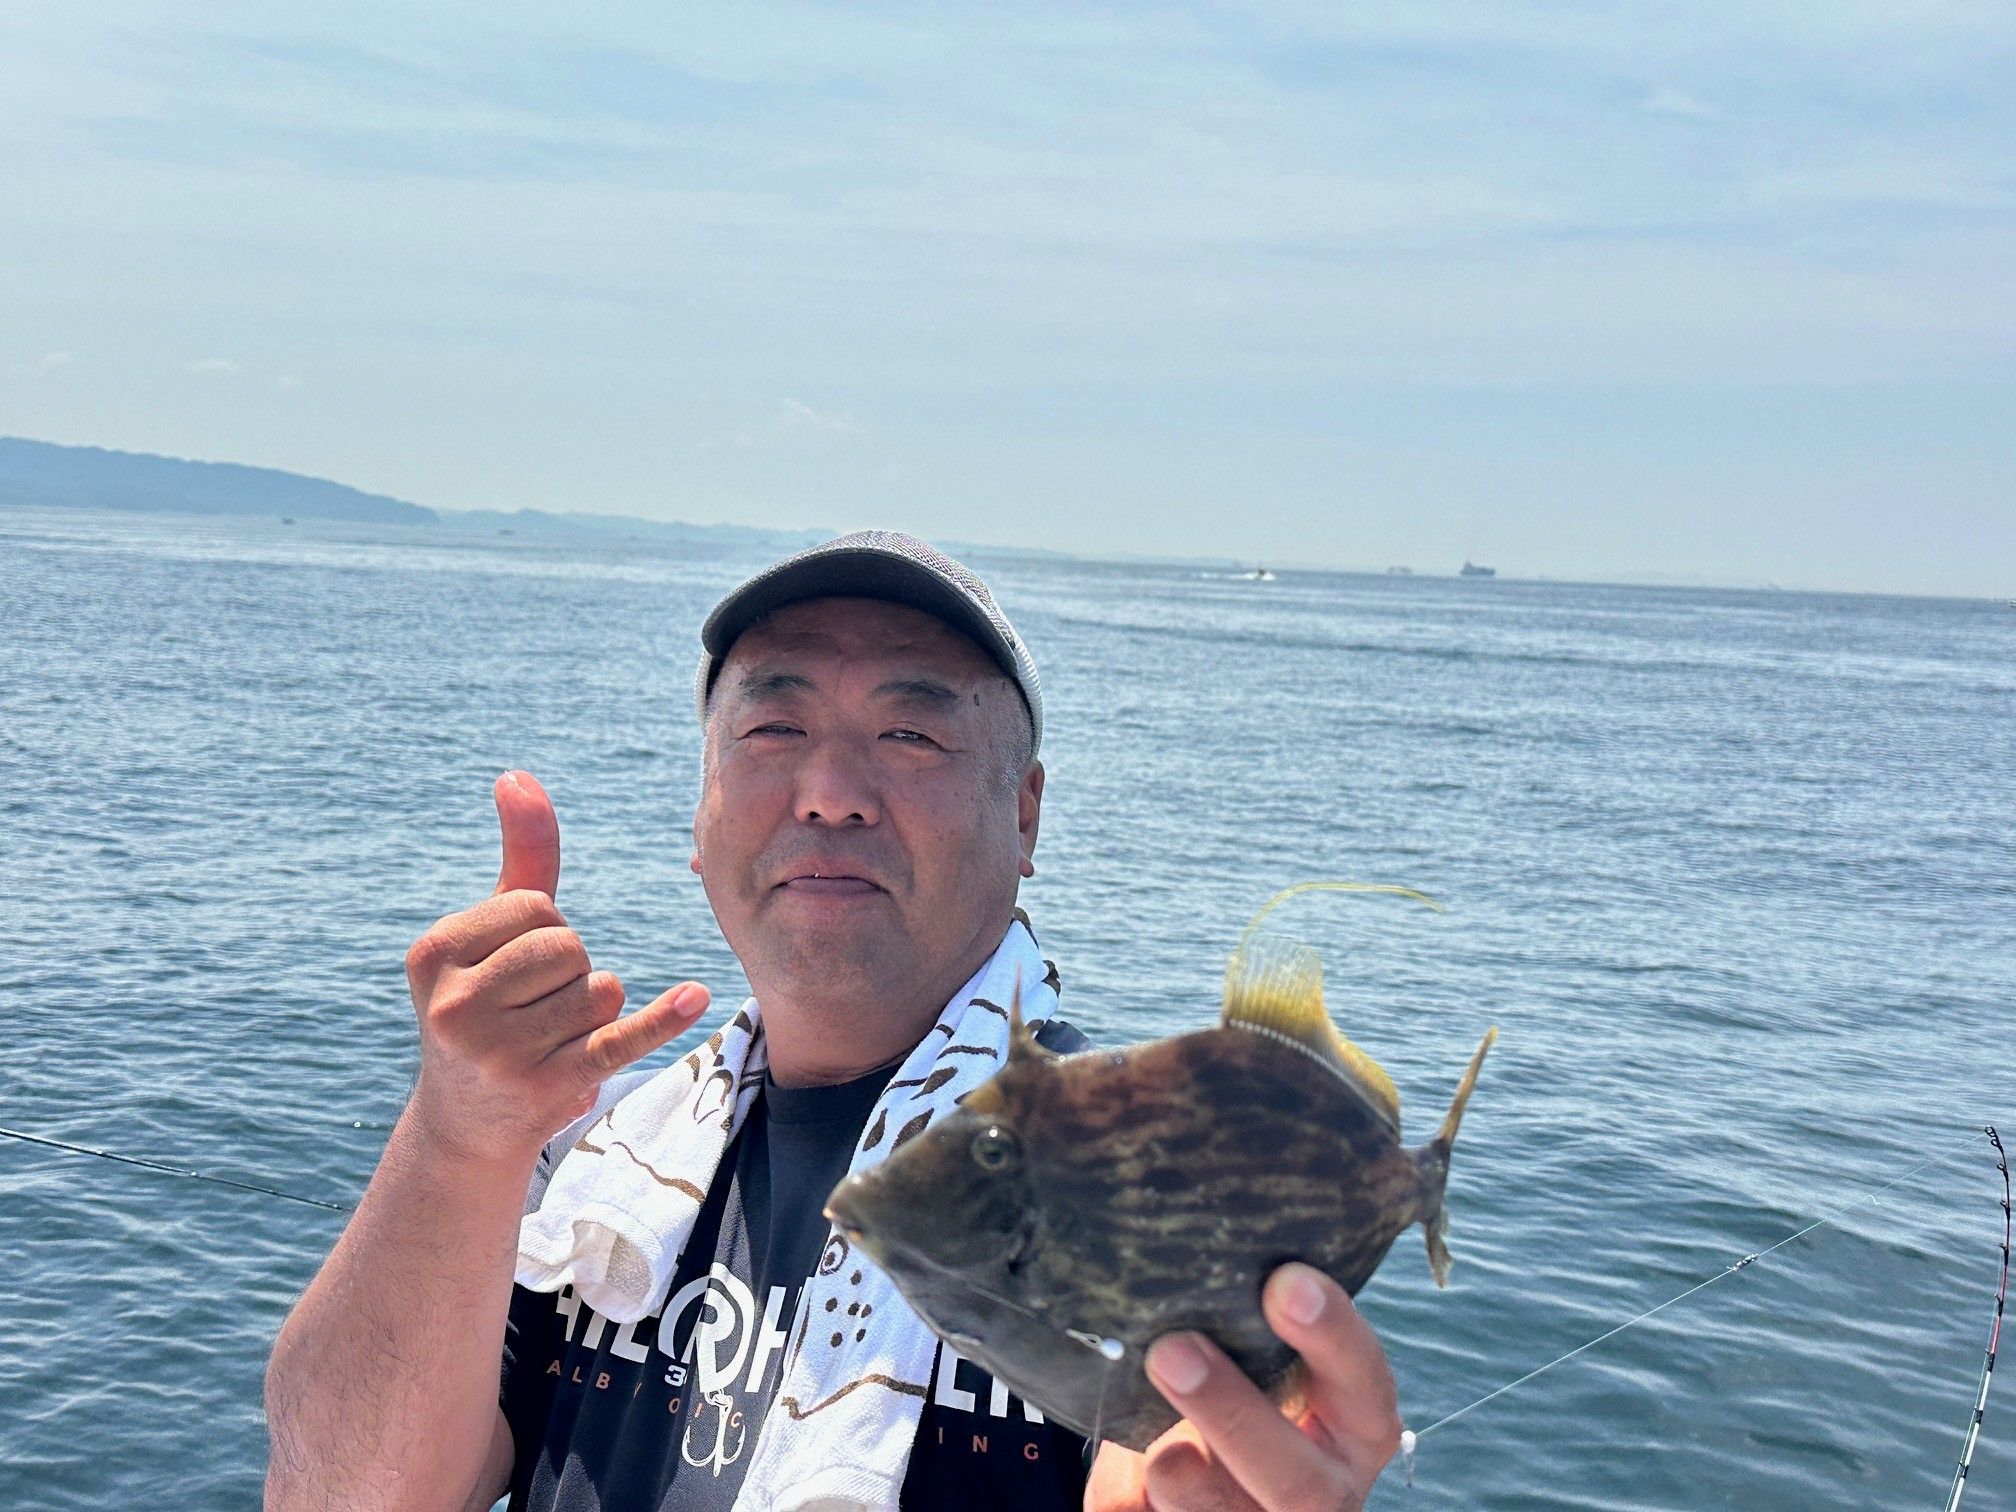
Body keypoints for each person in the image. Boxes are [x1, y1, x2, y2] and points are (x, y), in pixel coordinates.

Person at [265, 531, 1403, 1511]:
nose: (829, 794)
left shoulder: (1147, 1182)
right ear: (700, 813)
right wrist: (458, 1138)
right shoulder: (587, 1164)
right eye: (772, 729)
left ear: (1024, 815)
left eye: (911, 736)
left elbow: (1183, 1454)